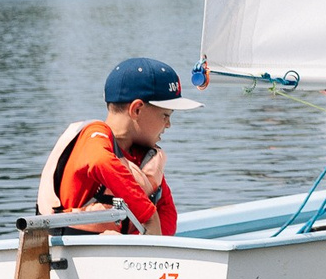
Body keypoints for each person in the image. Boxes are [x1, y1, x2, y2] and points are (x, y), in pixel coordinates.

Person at [37, 56, 202, 236]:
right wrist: (148, 215)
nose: (169, 124)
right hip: (72, 251)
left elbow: (166, 212)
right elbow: (100, 161)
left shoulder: (141, 156)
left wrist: (136, 242)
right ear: (137, 109)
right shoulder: (94, 135)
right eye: (165, 115)